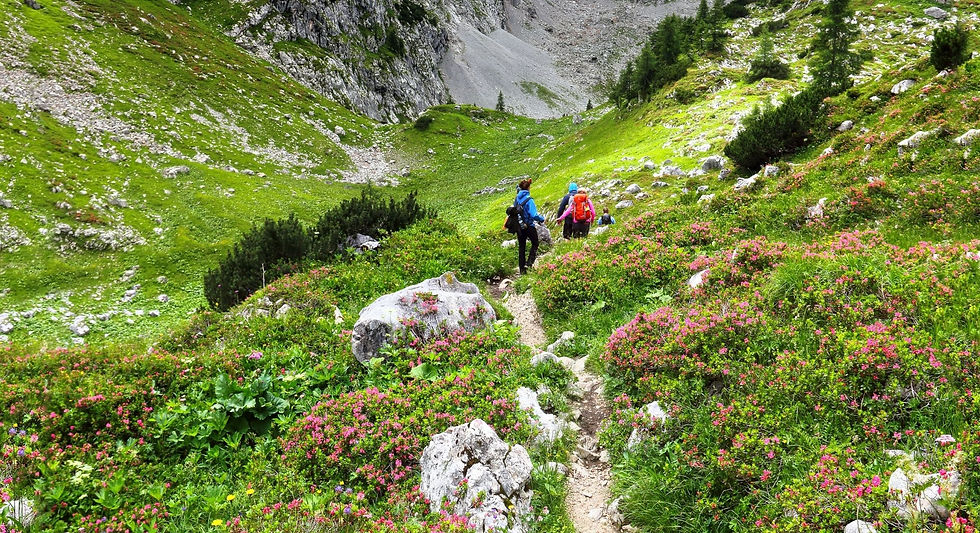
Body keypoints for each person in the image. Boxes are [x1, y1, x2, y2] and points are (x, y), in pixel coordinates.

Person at [514, 179, 545, 274]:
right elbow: (533, 214)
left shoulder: (517, 199)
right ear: (528, 188)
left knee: (521, 247)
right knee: (535, 243)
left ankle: (522, 269)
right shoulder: (529, 200)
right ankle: (529, 263)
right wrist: (541, 218)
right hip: (529, 225)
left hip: (519, 226)